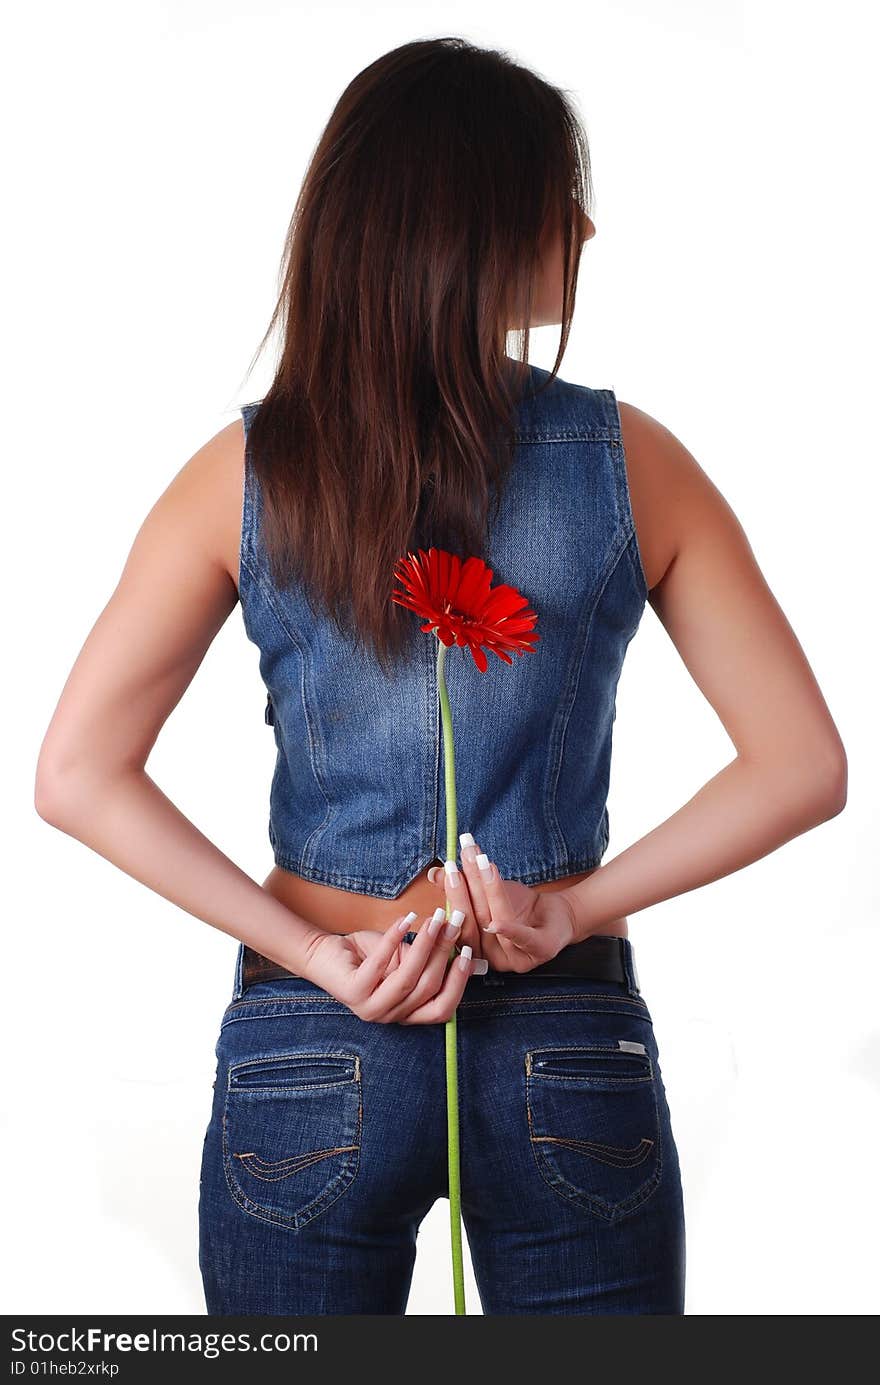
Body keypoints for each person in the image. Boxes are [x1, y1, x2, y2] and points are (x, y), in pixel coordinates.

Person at [34, 38, 847, 1316]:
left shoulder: (240, 475)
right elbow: (803, 764)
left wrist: (313, 950)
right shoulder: (634, 462)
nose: (584, 226)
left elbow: (76, 773)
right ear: (465, 224)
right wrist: (573, 910)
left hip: (314, 1038)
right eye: (550, 196)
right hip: (563, 1035)